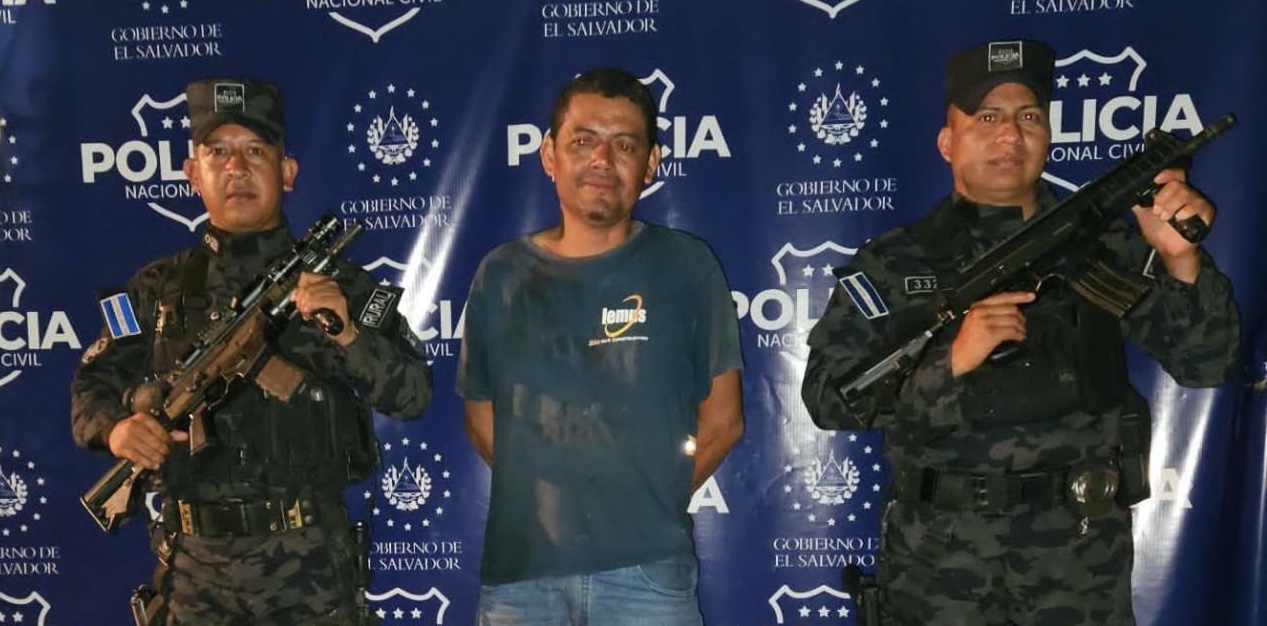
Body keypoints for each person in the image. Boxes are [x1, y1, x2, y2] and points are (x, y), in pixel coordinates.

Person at [801, 40, 1239, 626]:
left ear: (1048, 135)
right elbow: (828, 399)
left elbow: (1207, 364)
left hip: (1077, 561)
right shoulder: (892, 264)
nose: (1010, 134)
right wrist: (951, 361)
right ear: (948, 142)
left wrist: (1182, 260)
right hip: (939, 566)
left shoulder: (1104, 246)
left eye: (1028, 117)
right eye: (987, 118)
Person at [70, 77, 433, 625]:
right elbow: (90, 390)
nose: (236, 168)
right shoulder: (152, 290)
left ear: (287, 172)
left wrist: (346, 334)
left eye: (256, 151)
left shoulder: (342, 286)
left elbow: (413, 394)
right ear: (192, 174)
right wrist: (118, 430)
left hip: (311, 575)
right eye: (218, 152)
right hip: (196, 580)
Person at [456, 66, 745, 625]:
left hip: (648, 576)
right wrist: (552, 504)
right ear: (549, 154)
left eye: (625, 145)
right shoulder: (501, 274)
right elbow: (481, 417)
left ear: (651, 163)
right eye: (583, 141)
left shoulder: (687, 266)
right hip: (521, 578)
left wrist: (644, 507)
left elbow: (723, 420)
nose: (602, 160)